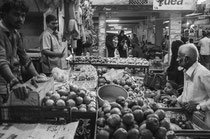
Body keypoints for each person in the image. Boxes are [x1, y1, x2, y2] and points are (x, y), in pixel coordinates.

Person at [0, 0, 40, 104]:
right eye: (16, 15)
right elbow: (1, 61)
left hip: (11, 85)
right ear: (4, 14)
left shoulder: (16, 34)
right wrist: (14, 82)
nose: (21, 19)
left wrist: (37, 76)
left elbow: (25, 58)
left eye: (23, 16)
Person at [176, 43, 210, 127]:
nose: (177, 59)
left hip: (202, 119)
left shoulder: (203, 73)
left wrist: (198, 106)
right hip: (189, 116)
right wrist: (178, 100)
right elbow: (187, 92)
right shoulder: (187, 70)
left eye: (179, 57)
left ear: (186, 59)